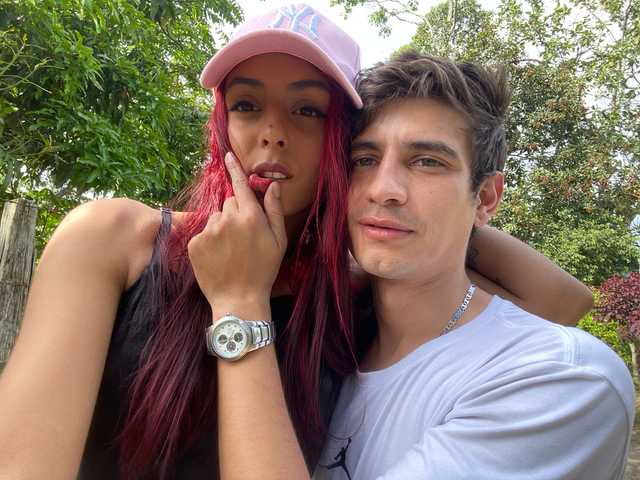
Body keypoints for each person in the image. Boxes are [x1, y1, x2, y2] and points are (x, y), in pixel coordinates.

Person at [0, 4, 591, 480]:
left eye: (307, 110)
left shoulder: (351, 288)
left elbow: (561, 302)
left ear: (343, 141)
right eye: (246, 105)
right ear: (220, 124)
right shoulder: (114, 241)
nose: (272, 134)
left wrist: (436, 212)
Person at [201, 51, 633, 480]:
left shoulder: (557, 377)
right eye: (364, 160)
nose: (383, 189)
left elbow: (568, 300)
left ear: (486, 197)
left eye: (428, 162)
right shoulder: (336, 341)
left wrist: (239, 305)